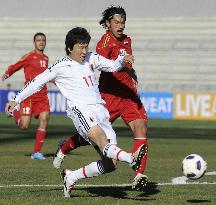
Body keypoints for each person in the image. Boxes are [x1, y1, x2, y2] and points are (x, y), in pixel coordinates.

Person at [5, 27, 147, 197]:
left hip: (100, 111)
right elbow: (37, 82)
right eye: (81, 47)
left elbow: (112, 66)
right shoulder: (60, 66)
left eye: (86, 46)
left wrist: (122, 60)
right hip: (80, 110)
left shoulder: (91, 58)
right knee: (101, 140)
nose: (84, 51)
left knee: (111, 165)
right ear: (70, 48)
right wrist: (17, 99)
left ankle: (71, 176)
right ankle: (131, 158)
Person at [53, 5, 149, 190]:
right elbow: (101, 65)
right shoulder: (104, 44)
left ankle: (138, 175)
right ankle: (65, 147)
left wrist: (131, 73)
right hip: (108, 97)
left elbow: (124, 64)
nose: (120, 26)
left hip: (128, 96)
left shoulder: (127, 40)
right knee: (91, 136)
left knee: (141, 129)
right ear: (107, 24)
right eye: (116, 22)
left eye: (123, 22)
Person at [2, 32, 50, 160]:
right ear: (34, 42)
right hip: (29, 95)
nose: (41, 42)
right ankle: (15, 112)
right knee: (24, 126)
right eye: (38, 40)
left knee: (45, 118)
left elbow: (46, 74)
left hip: (42, 95)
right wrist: (8, 72)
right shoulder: (29, 56)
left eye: (43, 40)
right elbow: (17, 65)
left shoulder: (46, 58)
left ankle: (36, 152)